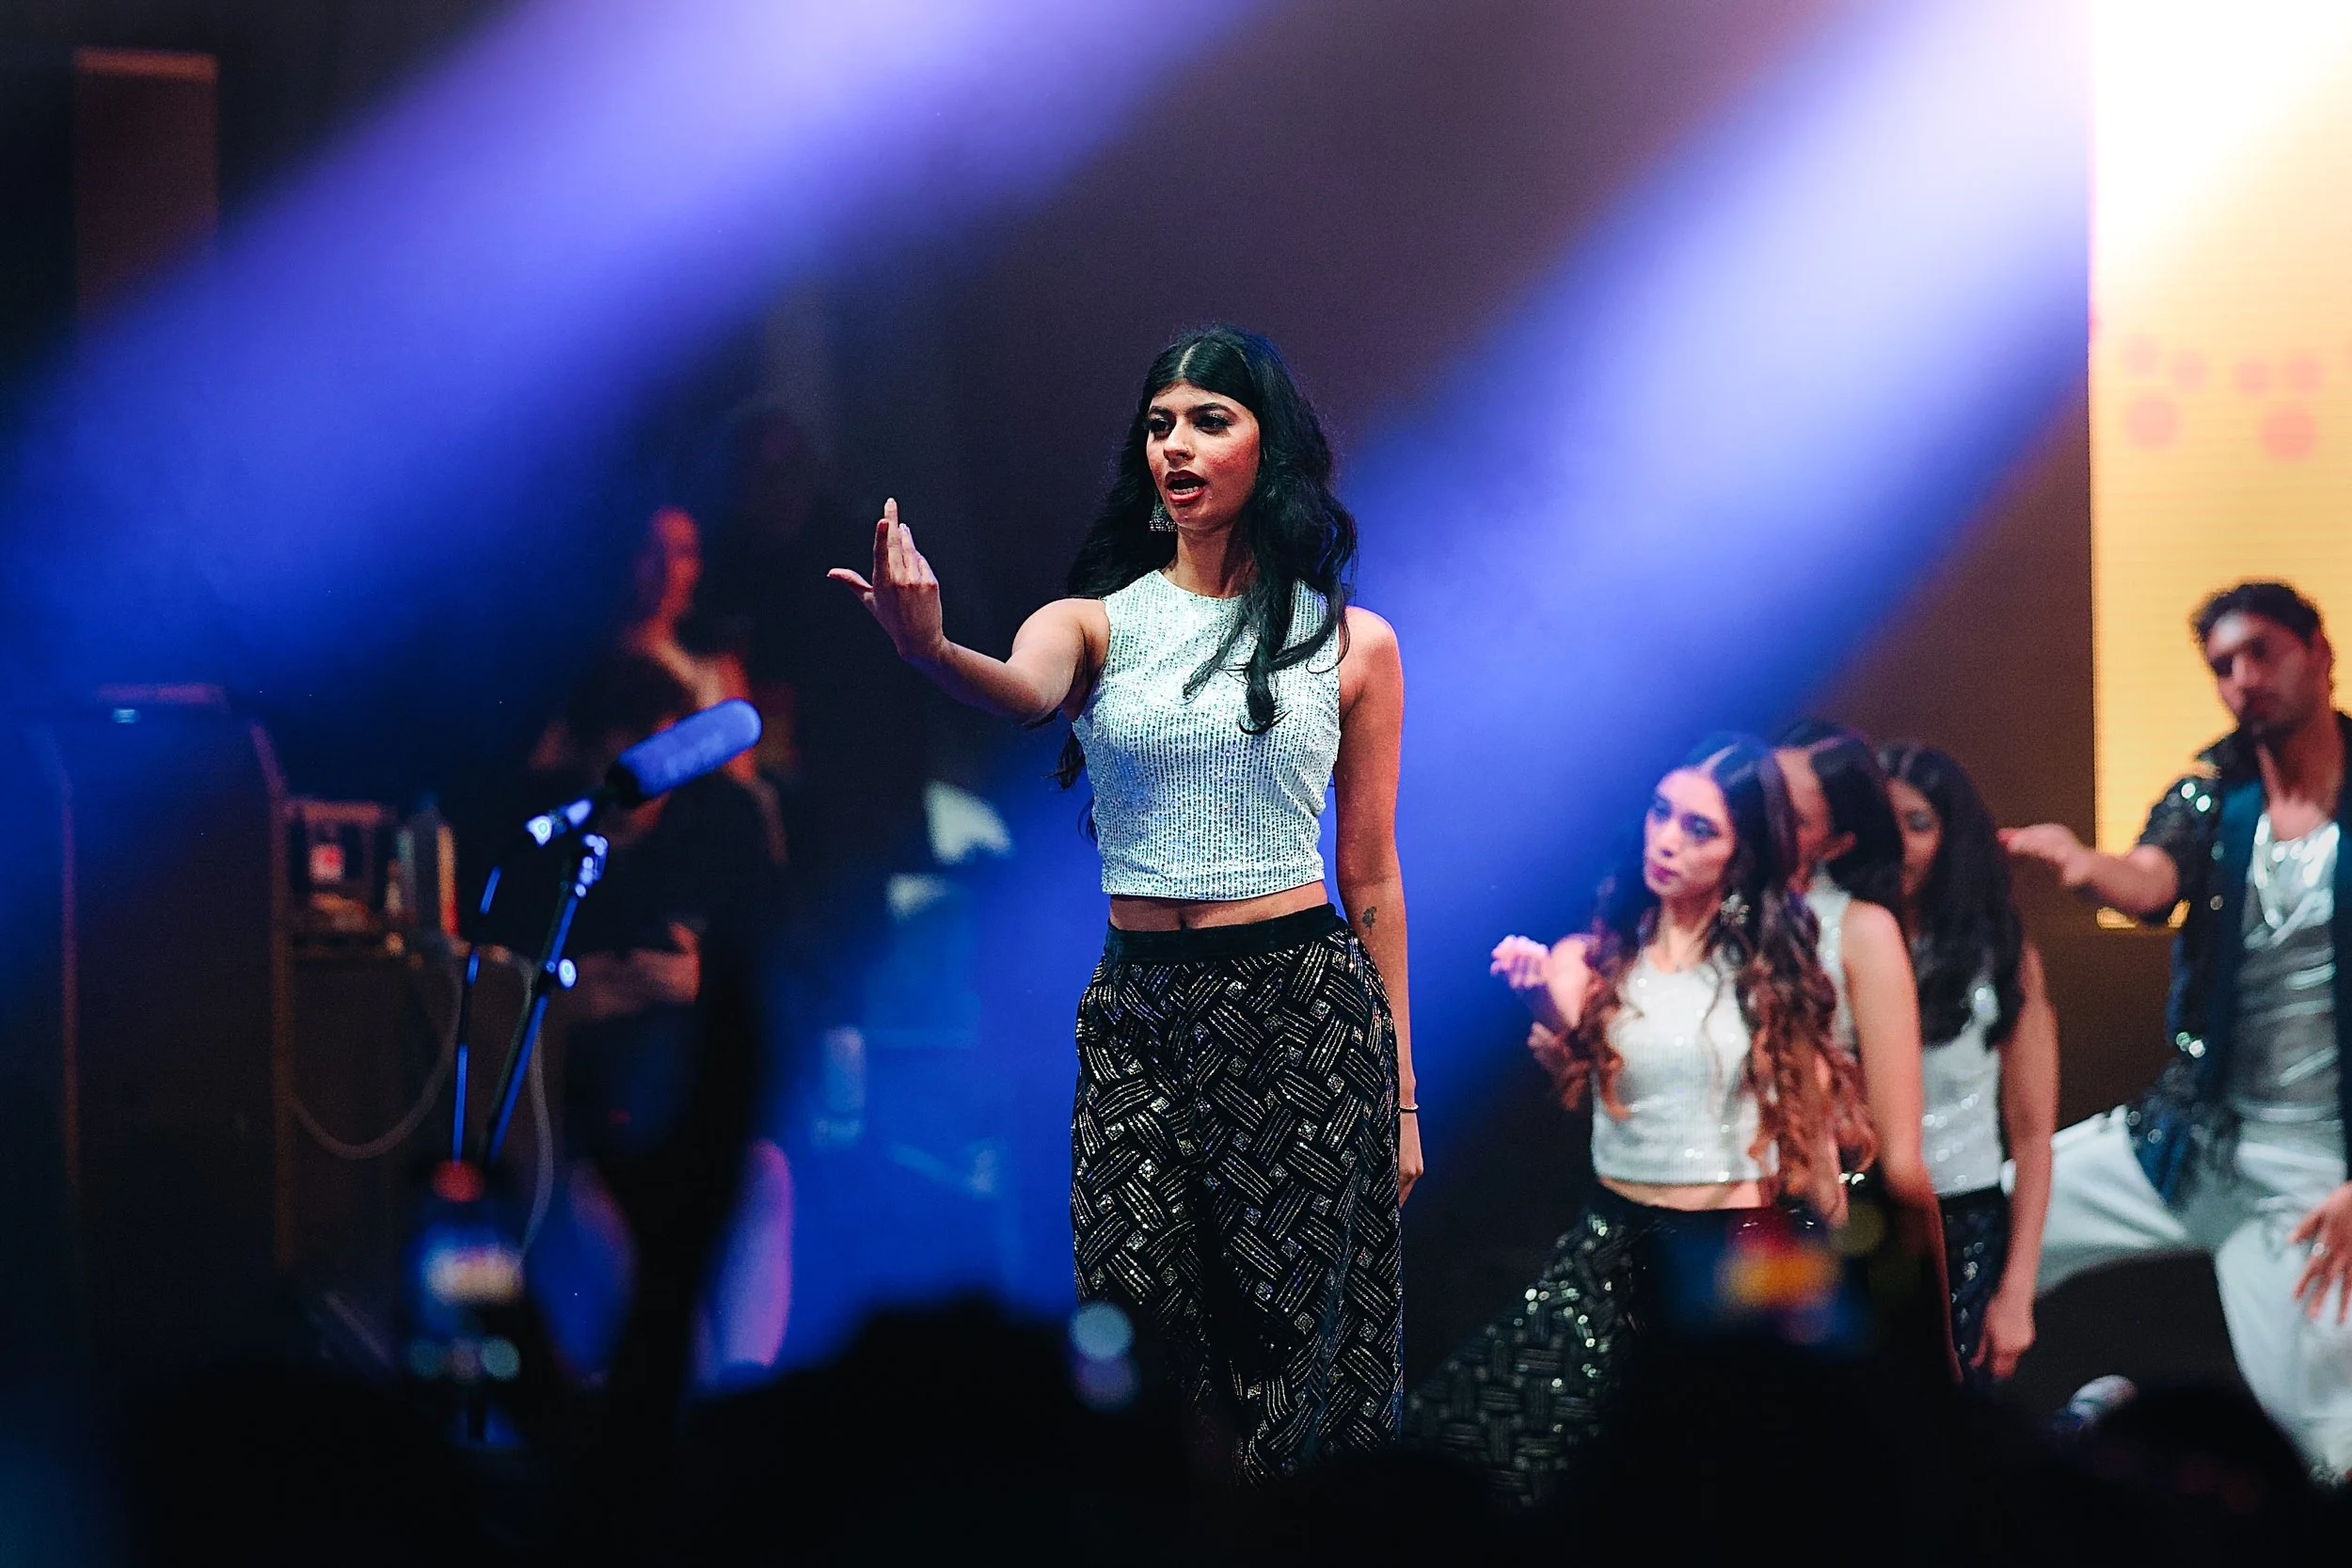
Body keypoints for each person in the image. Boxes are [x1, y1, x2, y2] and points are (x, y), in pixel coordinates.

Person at [829, 325, 1416, 1481]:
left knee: (1294, 1347)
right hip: (1142, 1009)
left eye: (1209, 420)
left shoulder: (1350, 641)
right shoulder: (1095, 617)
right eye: (1159, 423)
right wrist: (929, 645)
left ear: (1270, 447)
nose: (1177, 446)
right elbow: (1015, 690)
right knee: (1130, 1316)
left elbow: (1376, 878)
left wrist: (1399, 1100)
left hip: (1300, 1010)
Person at [1406, 736, 1859, 1505]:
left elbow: (1813, 1147)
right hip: (1613, 1241)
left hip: (1741, 1244)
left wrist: (1836, 1276)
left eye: (1699, 828)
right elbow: (1584, 1057)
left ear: (1742, 852)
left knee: (1737, 1479)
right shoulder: (1595, 956)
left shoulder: (1771, 971)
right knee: (1489, 1445)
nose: (1667, 839)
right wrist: (1532, 993)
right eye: (1661, 813)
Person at [2005, 580, 2352, 1476]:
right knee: (1984, 1222)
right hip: (2186, 1139)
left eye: (2262, 652)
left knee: (2329, 1434)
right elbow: (2153, 881)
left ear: (2320, 654)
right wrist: (2087, 865)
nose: (2243, 678)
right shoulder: (2214, 795)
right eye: (2223, 665)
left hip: (2313, 1175)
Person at [1772, 721, 1951, 1372]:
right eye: (1758, 795)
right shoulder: (1707, 912)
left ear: (1835, 841)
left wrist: (1934, 1334)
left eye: (1789, 814)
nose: (1762, 819)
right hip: (1694, 1204)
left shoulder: (1858, 928)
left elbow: (1901, 1161)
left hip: (1814, 1216)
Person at [1881, 741, 2059, 1386]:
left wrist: (2016, 1293)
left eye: (1919, 823)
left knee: (1954, 1445)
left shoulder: (2001, 953)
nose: (1899, 842)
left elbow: (2034, 1136)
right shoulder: (1829, 940)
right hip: (1856, 1221)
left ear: (1952, 837)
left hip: (1966, 1224)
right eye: (1885, 821)